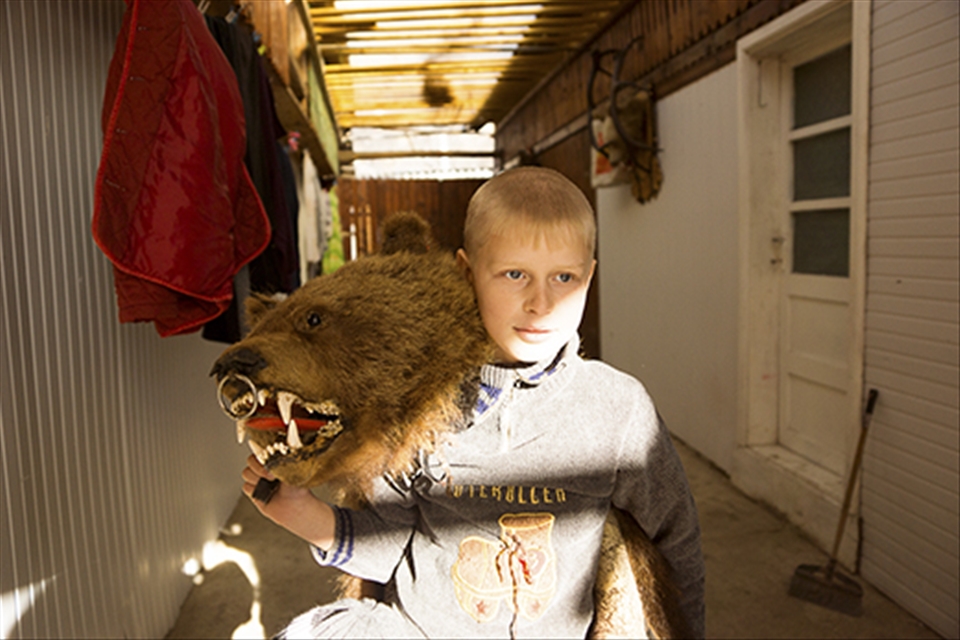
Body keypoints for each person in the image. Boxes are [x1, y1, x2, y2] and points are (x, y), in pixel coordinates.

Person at [242, 166, 705, 638]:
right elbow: (387, 547)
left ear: (589, 277)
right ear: (467, 272)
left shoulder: (617, 408)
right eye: (514, 274)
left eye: (564, 276)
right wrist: (299, 513)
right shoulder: (419, 398)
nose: (540, 303)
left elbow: (676, 541)